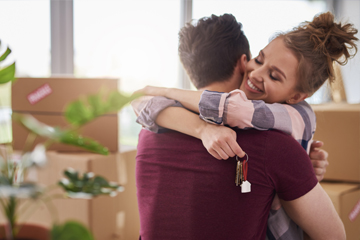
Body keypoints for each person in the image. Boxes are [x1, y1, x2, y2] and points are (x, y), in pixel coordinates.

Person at [133, 13, 345, 239]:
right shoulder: (276, 147)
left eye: (274, 75)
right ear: (244, 62)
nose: (256, 73)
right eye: (259, 60)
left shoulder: (148, 132)